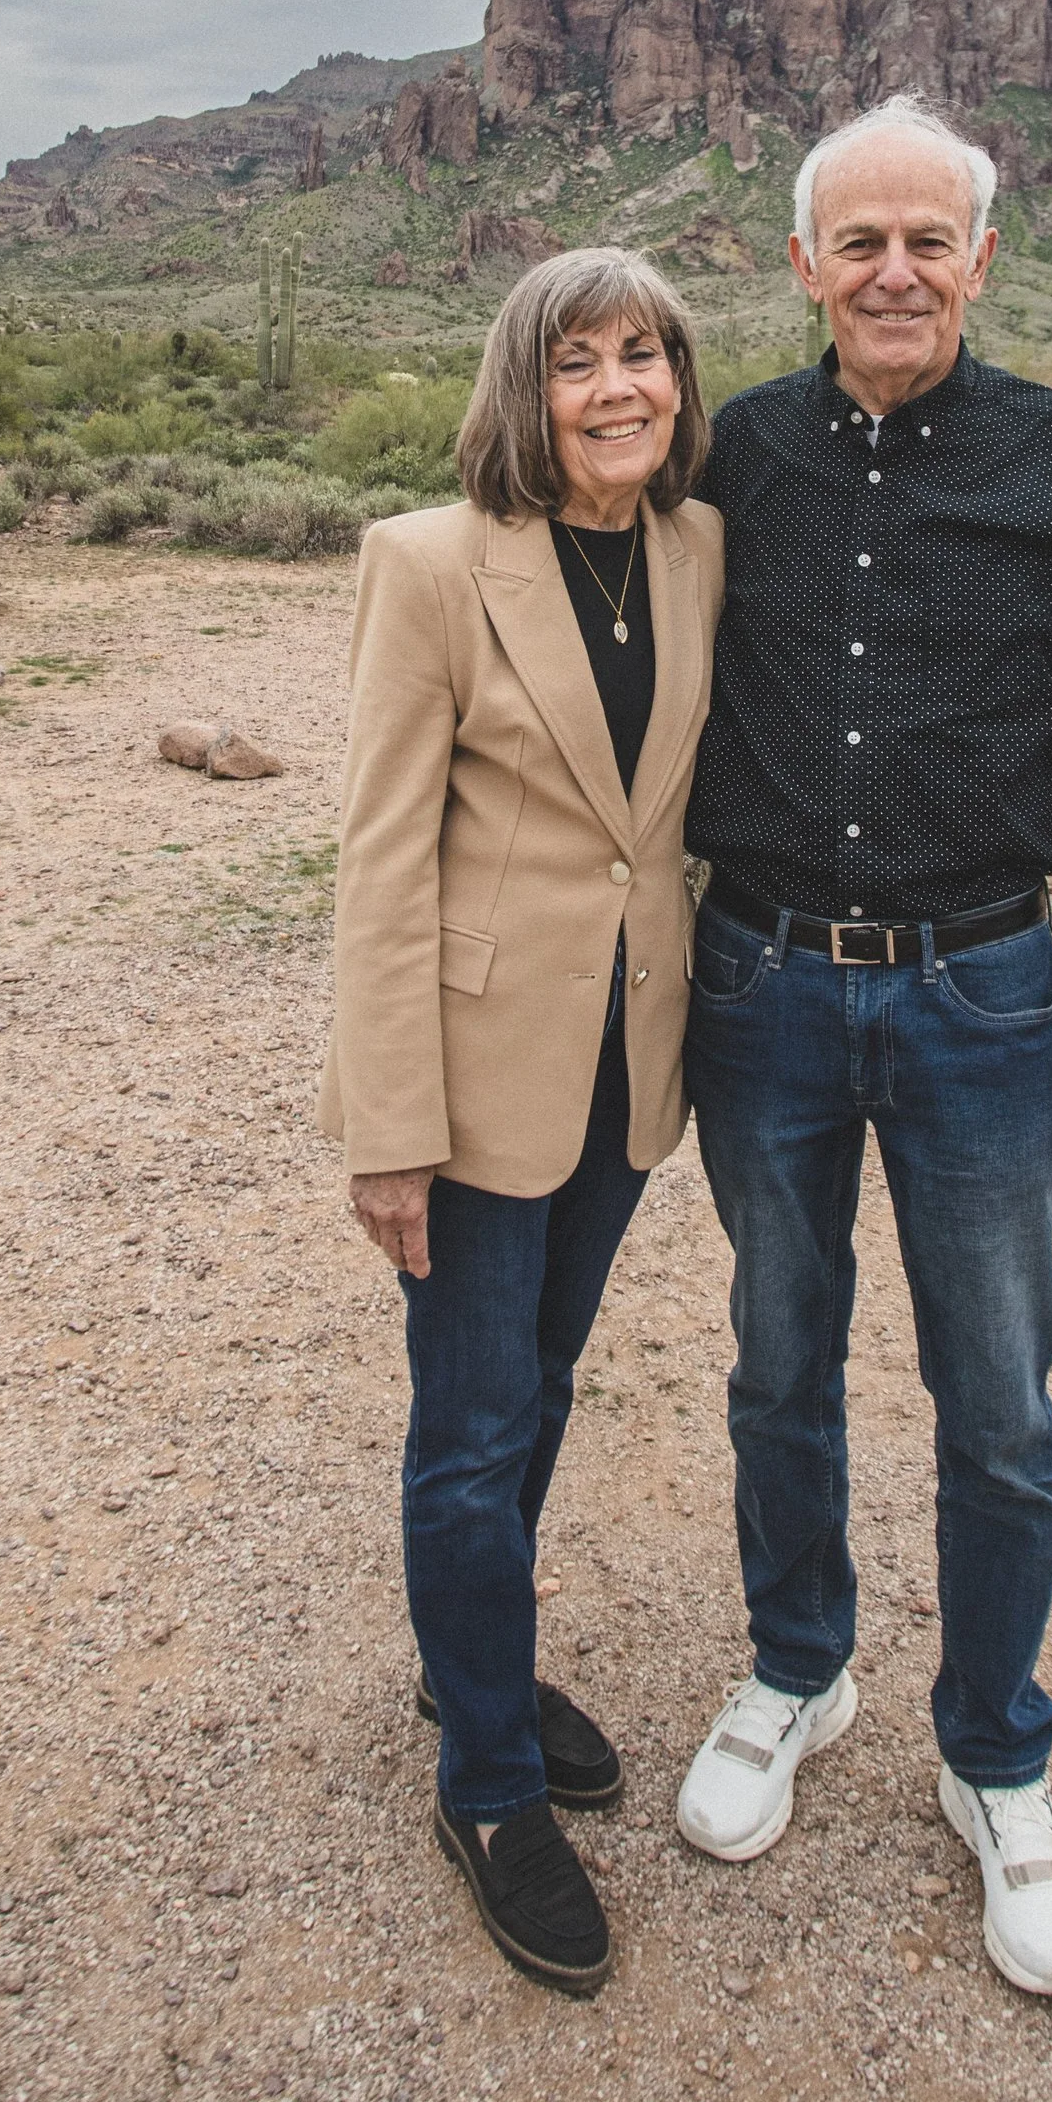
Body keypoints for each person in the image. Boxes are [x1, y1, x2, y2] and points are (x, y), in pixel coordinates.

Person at [672, 95, 1052, 1999]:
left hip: (986, 987)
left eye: (931, 241)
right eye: (861, 241)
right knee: (779, 1351)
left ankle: (997, 1755)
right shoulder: (732, 448)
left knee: (999, 1393)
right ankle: (797, 1669)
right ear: (806, 263)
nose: (896, 271)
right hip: (760, 982)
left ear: (982, 261)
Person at [320, 250, 724, 1997]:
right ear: (524, 386)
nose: (620, 386)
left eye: (646, 354)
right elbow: (380, 856)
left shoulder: (699, 547)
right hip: (477, 1084)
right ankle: (484, 1782)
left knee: (540, 1389)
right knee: (473, 1429)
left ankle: (458, 1653)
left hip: (627, 1066)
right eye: (581, 361)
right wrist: (386, 1124)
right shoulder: (428, 564)